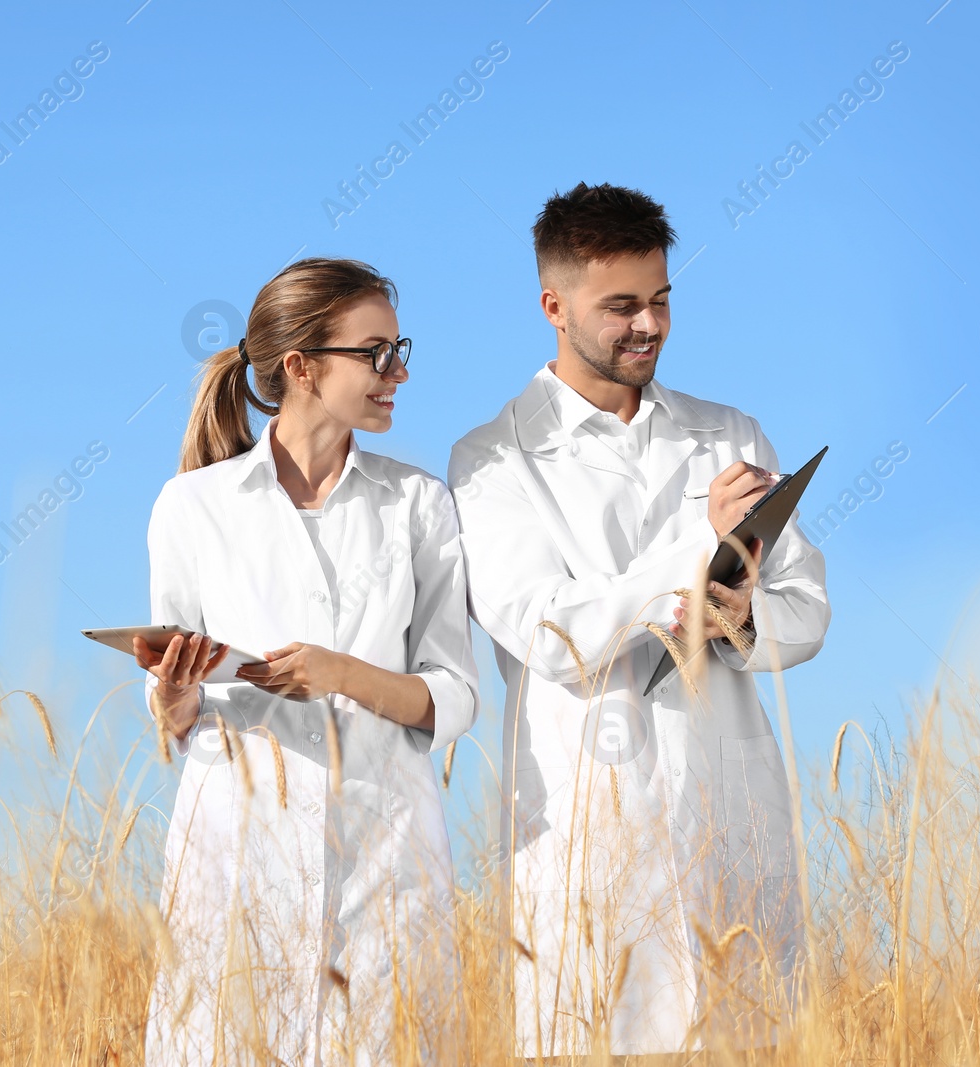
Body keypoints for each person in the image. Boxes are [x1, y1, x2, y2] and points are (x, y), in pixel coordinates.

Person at [448, 183, 830, 1061]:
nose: (647, 324)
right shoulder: (492, 457)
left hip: (729, 817)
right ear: (554, 305)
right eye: (620, 305)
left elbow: (806, 610)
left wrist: (738, 617)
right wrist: (698, 550)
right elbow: (549, 632)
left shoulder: (728, 432)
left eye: (660, 299)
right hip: (587, 832)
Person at [134, 257, 480, 1065]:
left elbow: (456, 694)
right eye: (375, 354)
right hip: (237, 853)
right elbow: (172, 715)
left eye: (400, 350)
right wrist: (175, 696)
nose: (397, 373)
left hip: (384, 853)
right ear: (301, 365)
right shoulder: (194, 506)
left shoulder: (419, 503)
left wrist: (341, 673)